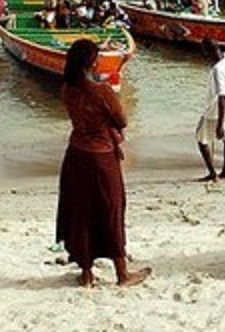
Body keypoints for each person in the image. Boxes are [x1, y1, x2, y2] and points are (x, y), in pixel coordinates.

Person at [55, 39, 151, 287]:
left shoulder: (67, 89)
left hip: (76, 154)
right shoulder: (102, 91)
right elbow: (122, 120)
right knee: (111, 210)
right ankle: (122, 274)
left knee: (80, 212)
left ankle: (86, 273)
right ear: (92, 62)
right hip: (101, 157)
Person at [196, 38, 225, 181]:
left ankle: (212, 173)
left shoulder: (217, 70)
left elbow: (222, 97)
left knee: (201, 138)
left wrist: (220, 124)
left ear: (207, 52)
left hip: (215, 111)